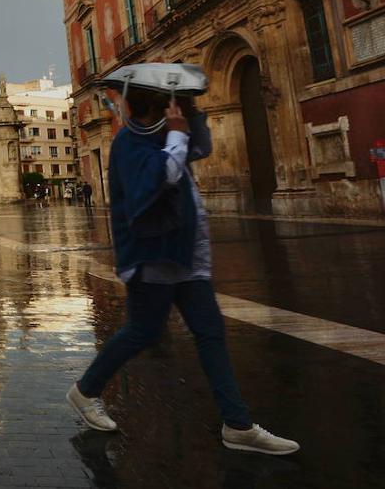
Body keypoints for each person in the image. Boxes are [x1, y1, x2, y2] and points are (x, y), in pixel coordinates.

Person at [66, 87, 299, 455]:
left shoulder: (162, 134)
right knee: (141, 332)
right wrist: (175, 132)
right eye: (170, 103)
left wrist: (192, 116)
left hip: (186, 257)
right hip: (152, 257)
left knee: (210, 334)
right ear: (157, 107)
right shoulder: (129, 143)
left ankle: (237, 425)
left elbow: (201, 148)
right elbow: (155, 183)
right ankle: (85, 390)